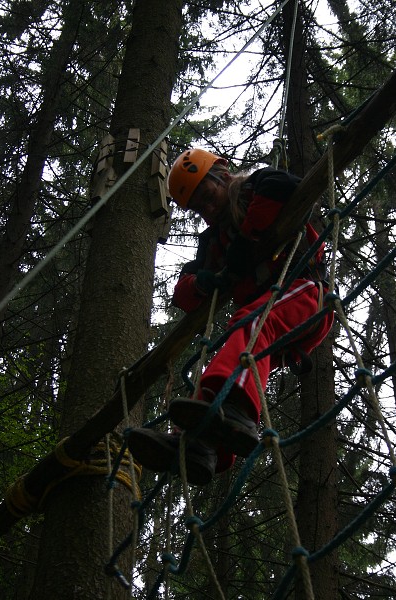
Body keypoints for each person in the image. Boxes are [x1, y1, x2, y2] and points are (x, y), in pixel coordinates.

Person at [128, 148, 334, 485]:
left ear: (223, 176)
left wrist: (245, 240)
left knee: (249, 323)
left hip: (306, 296)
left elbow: (286, 189)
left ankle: (237, 410)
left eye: (208, 196)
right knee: (237, 341)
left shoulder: (258, 186)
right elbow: (183, 294)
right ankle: (199, 447)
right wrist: (202, 281)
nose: (208, 210)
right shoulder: (213, 241)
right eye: (199, 208)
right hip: (267, 324)